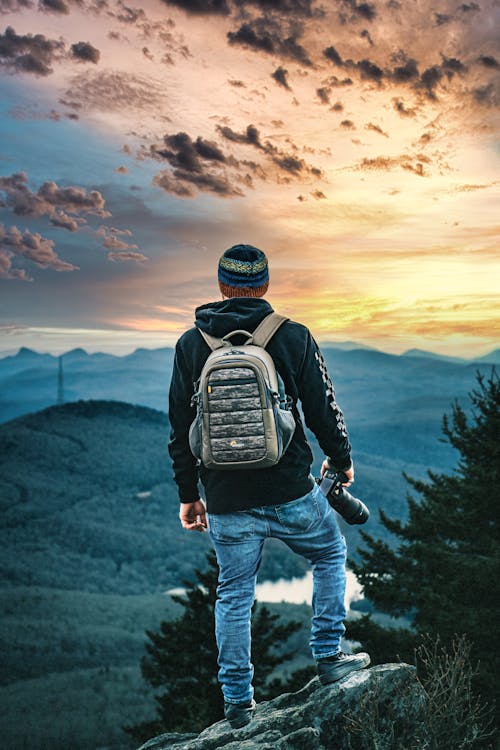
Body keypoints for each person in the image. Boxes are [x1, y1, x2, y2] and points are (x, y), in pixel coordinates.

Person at [168, 244, 370, 729]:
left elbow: (179, 427)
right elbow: (323, 409)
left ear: (221, 286)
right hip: (290, 489)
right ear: (264, 286)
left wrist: (188, 495)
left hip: (225, 497)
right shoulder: (291, 335)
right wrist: (341, 461)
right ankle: (328, 657)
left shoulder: (191, 344)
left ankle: (238, 703)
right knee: (328, 554)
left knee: (234, 592)